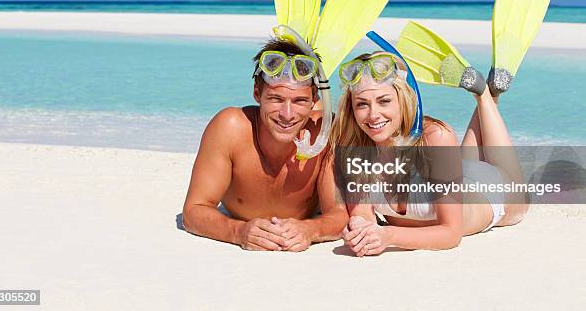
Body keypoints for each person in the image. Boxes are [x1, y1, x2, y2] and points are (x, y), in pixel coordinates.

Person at [331, 51, 529, 256]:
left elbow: (451, 234)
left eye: (384, 101)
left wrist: (388, 236)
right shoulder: (352, 148)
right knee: (460, 163)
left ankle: (486, 96)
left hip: (491, 193)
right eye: (362, 104)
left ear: (403, 98)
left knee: (514, 185)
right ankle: (485, 93)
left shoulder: (436, 137)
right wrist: (357, 229)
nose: (373, 115)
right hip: (452, 173)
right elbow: (363, 218)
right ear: (351, 108)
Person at [182, 37, 348, 251]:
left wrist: (309, 229)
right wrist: (238, 232)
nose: (287, 115)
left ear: (314, 98)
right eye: (276, 99)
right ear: (257, 93)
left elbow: (339, 214)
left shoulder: (325, 132)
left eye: (299, 101)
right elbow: (194, 211)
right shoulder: (230, 128)